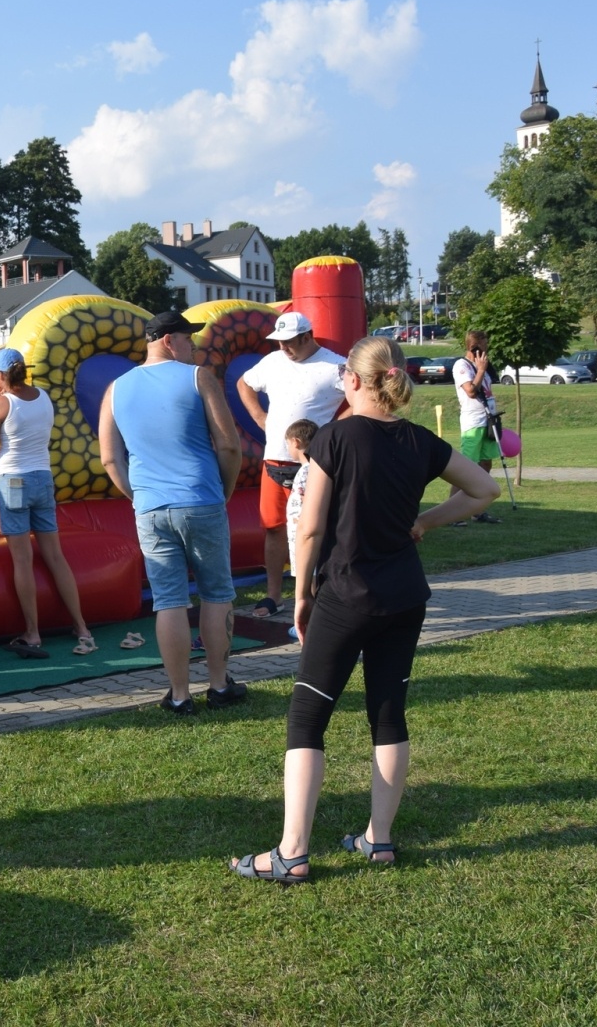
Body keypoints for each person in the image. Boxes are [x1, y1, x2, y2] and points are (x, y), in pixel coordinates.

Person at [229, 337, 499, 884]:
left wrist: (301, 595)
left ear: (353, 381)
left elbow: (308, 527)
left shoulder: (337, 437)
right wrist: (425, 522)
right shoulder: (420, 441)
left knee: (308, 716)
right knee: (387, 713)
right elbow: (484, 488)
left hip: (346, 595)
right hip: (404, 597)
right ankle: (379, 840)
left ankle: (292, 853)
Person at [98, 311, 247, 714]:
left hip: (150, 507)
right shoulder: (198, 378)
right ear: (169, 341)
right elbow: (230, 446)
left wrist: (137, 496)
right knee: (217, 594)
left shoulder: (115, 389)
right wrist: (225, 489)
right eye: (189, 340)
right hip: (201, 499)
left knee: (168, 601)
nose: (194, 348)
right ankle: (218, 685)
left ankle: (179, 695)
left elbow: (110, 459)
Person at [0, 347, 96, 659]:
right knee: (55, 556)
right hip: (43, 476)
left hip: (14, 480)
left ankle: (32, 632)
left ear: (2, 375)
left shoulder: (2, 403)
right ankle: (81, 626)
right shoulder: (42, 397)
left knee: (22, 559)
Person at [237, 312, 347, 619]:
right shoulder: (272, 362)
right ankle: (274, 595)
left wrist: (336, 428)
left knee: (314, 528)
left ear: (307, 337)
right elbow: (243, 384)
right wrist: (261, 418)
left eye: (290, 342)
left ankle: (315, 593)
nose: (284, 348)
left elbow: (360, 394)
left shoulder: (335, 365)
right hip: (274, 458)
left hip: (315, 463)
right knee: (273, 528)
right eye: (280, 342)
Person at [451, 331, 503, 525]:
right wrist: (481, 370)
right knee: (465, 470)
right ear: (474, 347)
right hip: (473, 423)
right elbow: (471, 391)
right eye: (483, 345)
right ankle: (452, 513)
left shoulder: (482, 366)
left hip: (488, 421)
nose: (486, 349)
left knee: (485, 465)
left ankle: (477, 510)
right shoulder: (462, 366)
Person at [282, 418, 320, 576]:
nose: (287, 449)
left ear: (295, 442)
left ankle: (310, 598)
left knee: (308, 570)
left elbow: (310, 498)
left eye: (287, 445)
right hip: (299, 531)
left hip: (302, 531)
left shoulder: (307, 471)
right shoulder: (312, 469)